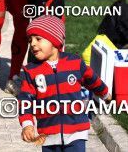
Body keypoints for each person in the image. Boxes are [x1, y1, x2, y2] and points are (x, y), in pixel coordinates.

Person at [18, 15, 111, 151]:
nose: (32, 44)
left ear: (55, 41)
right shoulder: (31, 71)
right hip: (47, 134)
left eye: (38, 39)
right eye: (30, 40)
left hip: (76, 132)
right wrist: (27, 124)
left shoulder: (74, 62)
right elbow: (25, 100)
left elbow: (92, 79)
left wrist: (105, 93)